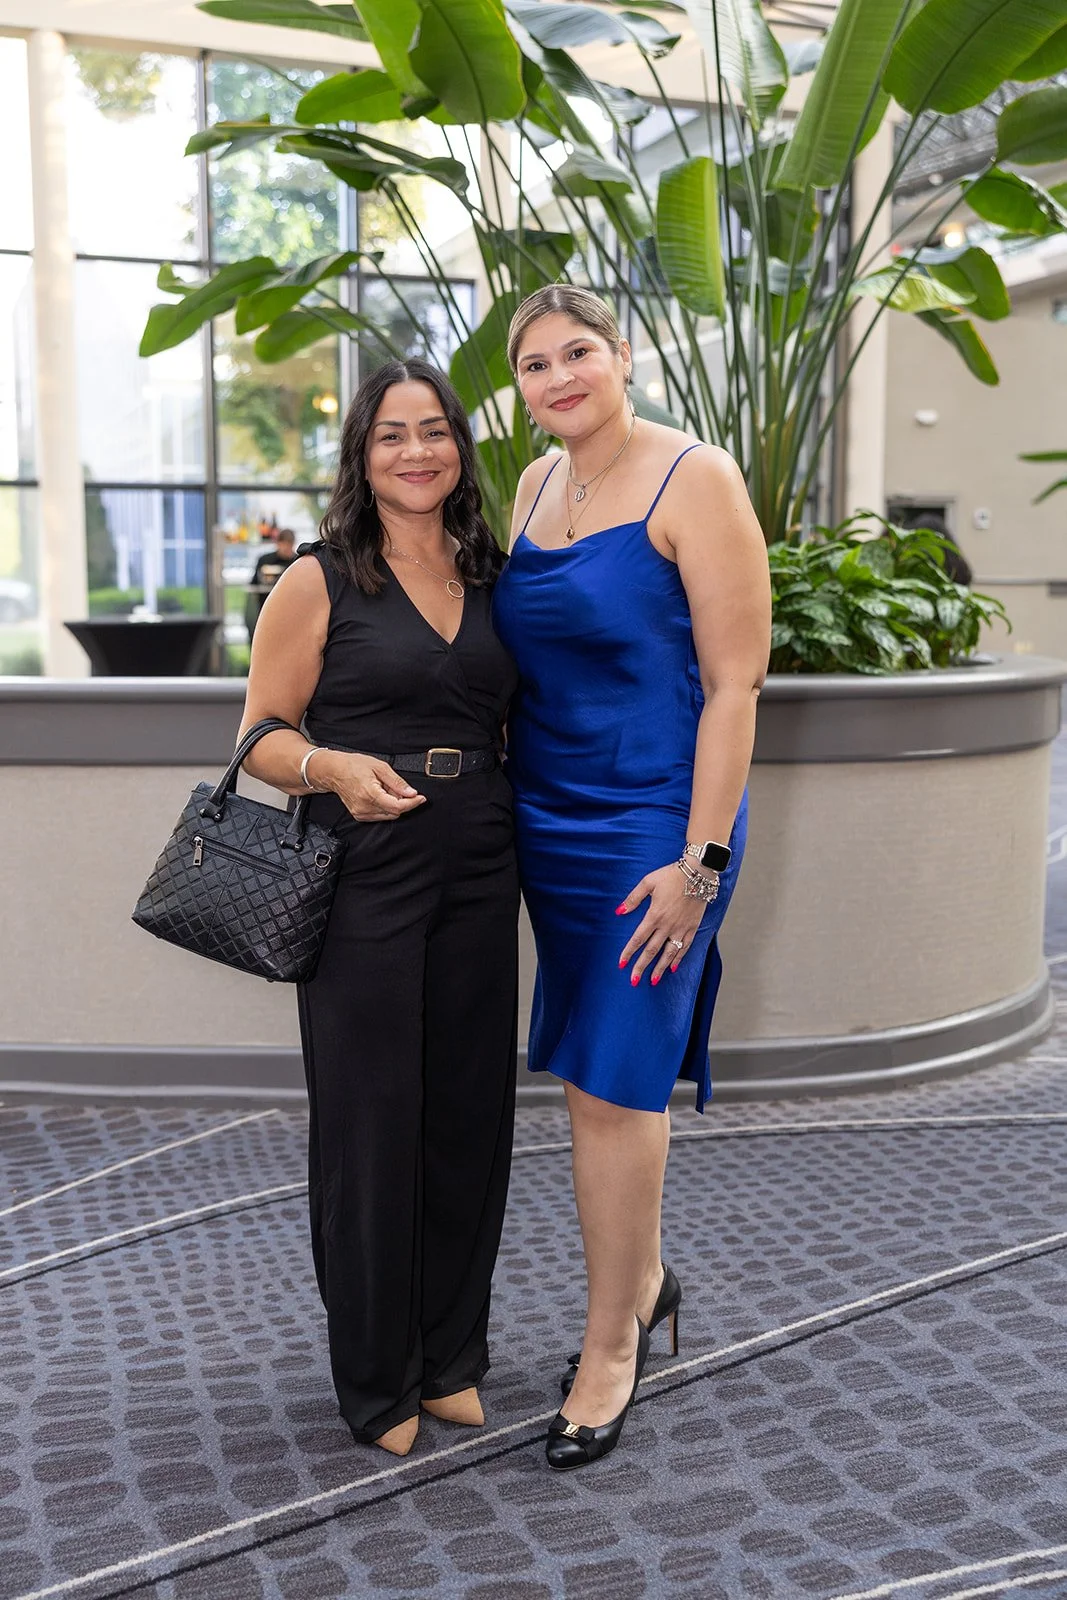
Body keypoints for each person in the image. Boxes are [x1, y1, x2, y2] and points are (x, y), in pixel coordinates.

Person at [492, 285, 771, 1471]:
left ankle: (611, 1344)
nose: (557, 378)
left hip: (655, 824)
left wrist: (697, 867)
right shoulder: (531, 485)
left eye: (577, 353)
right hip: (548, 819)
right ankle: (644, 1281)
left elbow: (734, 687)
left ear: (624, 356)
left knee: (618, 1085)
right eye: (534, 364)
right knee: (587, 1082)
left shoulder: (692, 477)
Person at [238, 359, 520, 1458]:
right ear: (362, 455)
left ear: (459, 448)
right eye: (391, 434)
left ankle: (450, 1355)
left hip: (480, 859)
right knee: (370, 1123)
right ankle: (376, 1376)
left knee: (466, 1116)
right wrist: (334, 768)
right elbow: (258, 736)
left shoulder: (493, 573)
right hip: (361, 864)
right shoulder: (317, 580)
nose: (416, 451)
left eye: (435, 431)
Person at [245, 527, 299, 642]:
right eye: (284, 544)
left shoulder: (297, 562)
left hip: (289, 610)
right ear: (278, 543)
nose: (286, 549)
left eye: (289, 545)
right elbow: (254, 583)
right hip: (265, 606)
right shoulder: (265, 560)